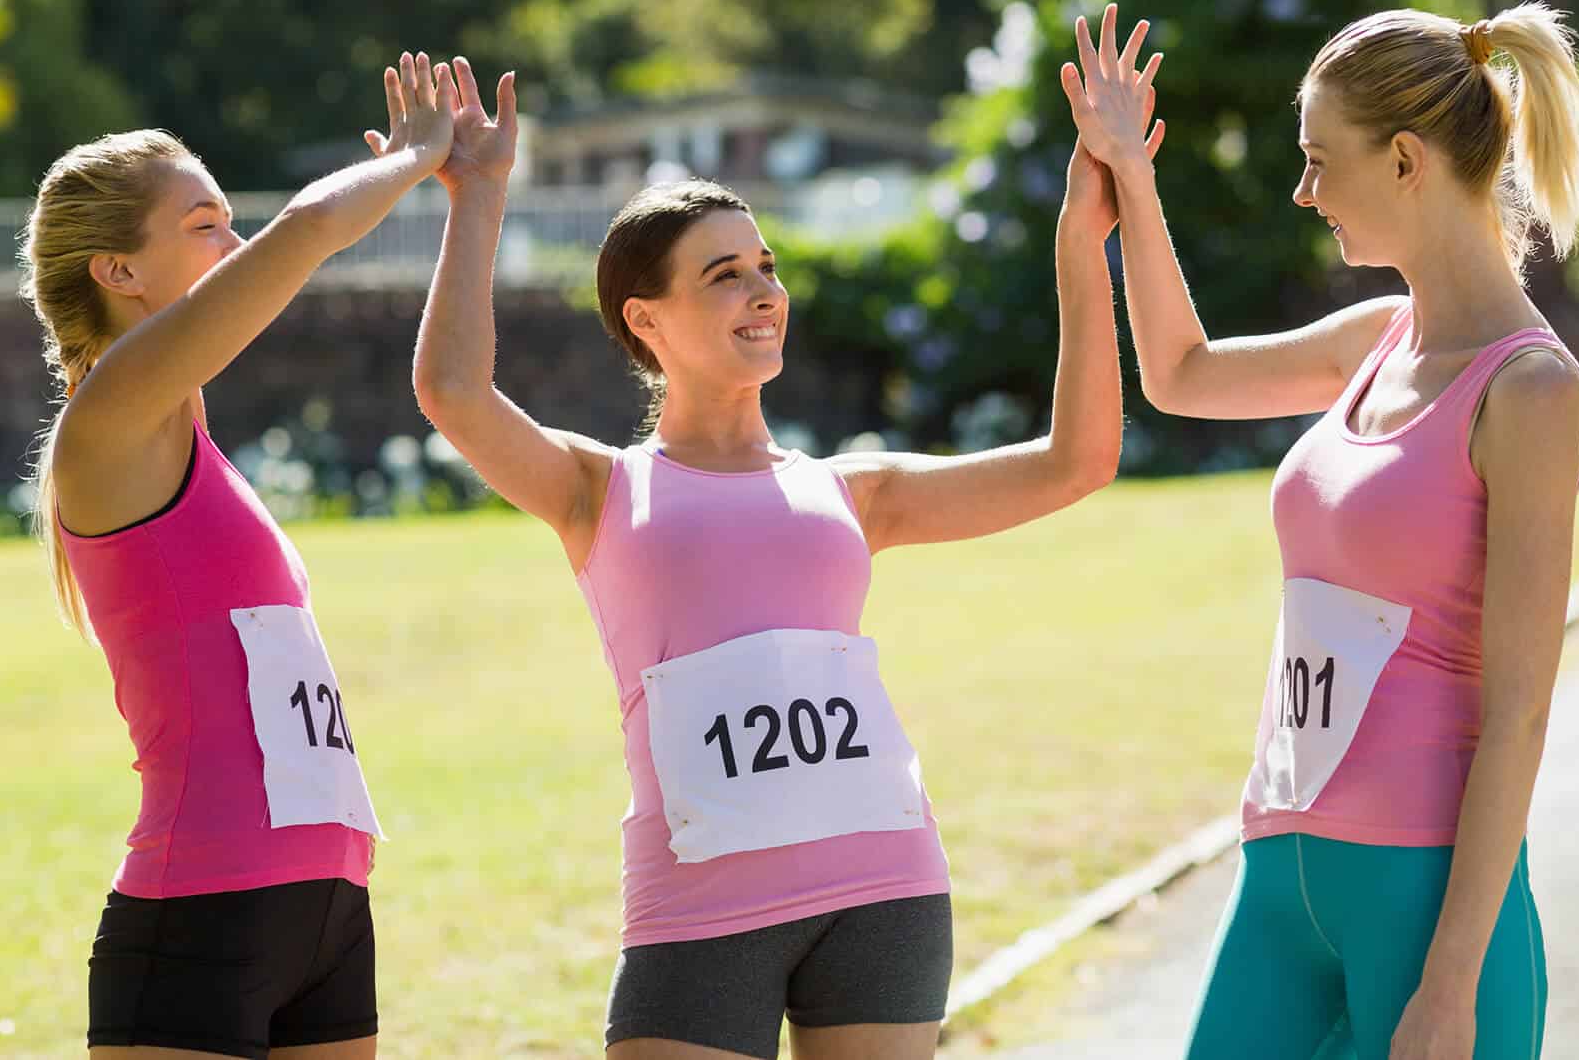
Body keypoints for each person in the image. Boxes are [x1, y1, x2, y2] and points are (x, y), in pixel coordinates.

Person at [410, 57, 1161, 1060]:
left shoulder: (854, 490)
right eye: (723, 276)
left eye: (765, 267)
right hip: (699, 902)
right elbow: (455, 391)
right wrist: (478, 197)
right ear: (645, 320)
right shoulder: (597, 490)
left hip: (881, 890)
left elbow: (1079, 460)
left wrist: (1079, 240)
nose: (762, 291)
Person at [1063, 2, 1579, 1060]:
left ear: (1403, 159)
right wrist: (1128, 177)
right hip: (1278, 878)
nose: (1302, 192)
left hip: (1418, 898)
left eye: (1316, 161)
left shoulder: (1528, 391)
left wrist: (1449, 987)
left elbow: (1519, 714)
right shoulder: (1375, 339)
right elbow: (1178, 374)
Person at [20, 53, 460, 1059]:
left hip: (322, 905)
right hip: (200, 914)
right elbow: (306, 231)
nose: (235, 240)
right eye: (205, 223)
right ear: (119, 271)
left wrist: (464, 186)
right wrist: (413, 158)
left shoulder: (189, 432)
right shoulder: (112, 417)